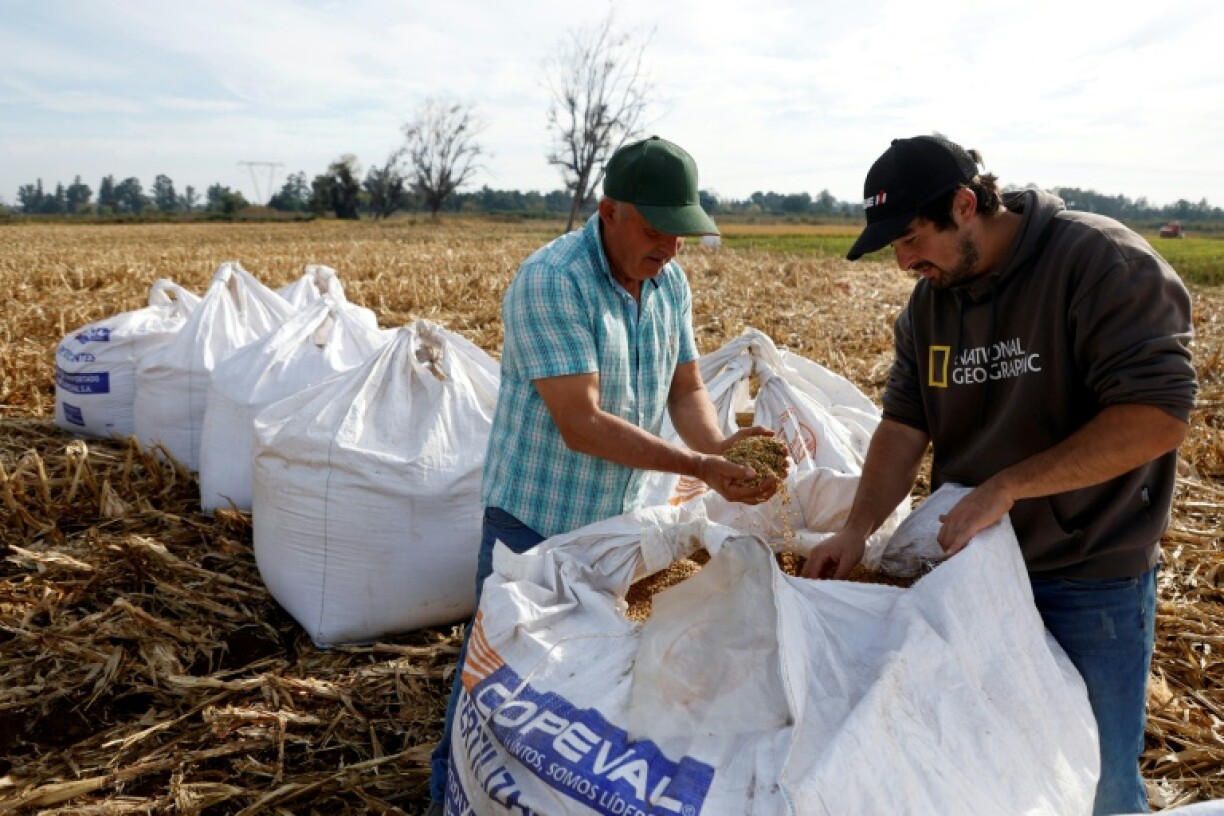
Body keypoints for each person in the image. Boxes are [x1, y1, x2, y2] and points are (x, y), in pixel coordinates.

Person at [800, 133, 1197, 815]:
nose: (903, 262)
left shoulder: (1098, 262)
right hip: (970, 573)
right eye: (892, 247)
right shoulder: (929, 306)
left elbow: (1156, 415)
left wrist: (1007, 487)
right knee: (984, 769)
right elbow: (903, 427)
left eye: (910, 239)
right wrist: (857, 528)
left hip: (1087, 574)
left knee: (1095, 776)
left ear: (963, 205)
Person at [427, 135, 783, 814]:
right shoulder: (553, 281)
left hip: (617, 522)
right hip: (535, 519)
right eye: (657, 230)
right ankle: (453, 792)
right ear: (609, 210)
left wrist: (726, 448)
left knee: (583, 675)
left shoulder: (667, 279)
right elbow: (580, 423)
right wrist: (699, 466)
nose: (672, 247)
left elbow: (686, 391)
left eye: (681, 232)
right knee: (499, 669)